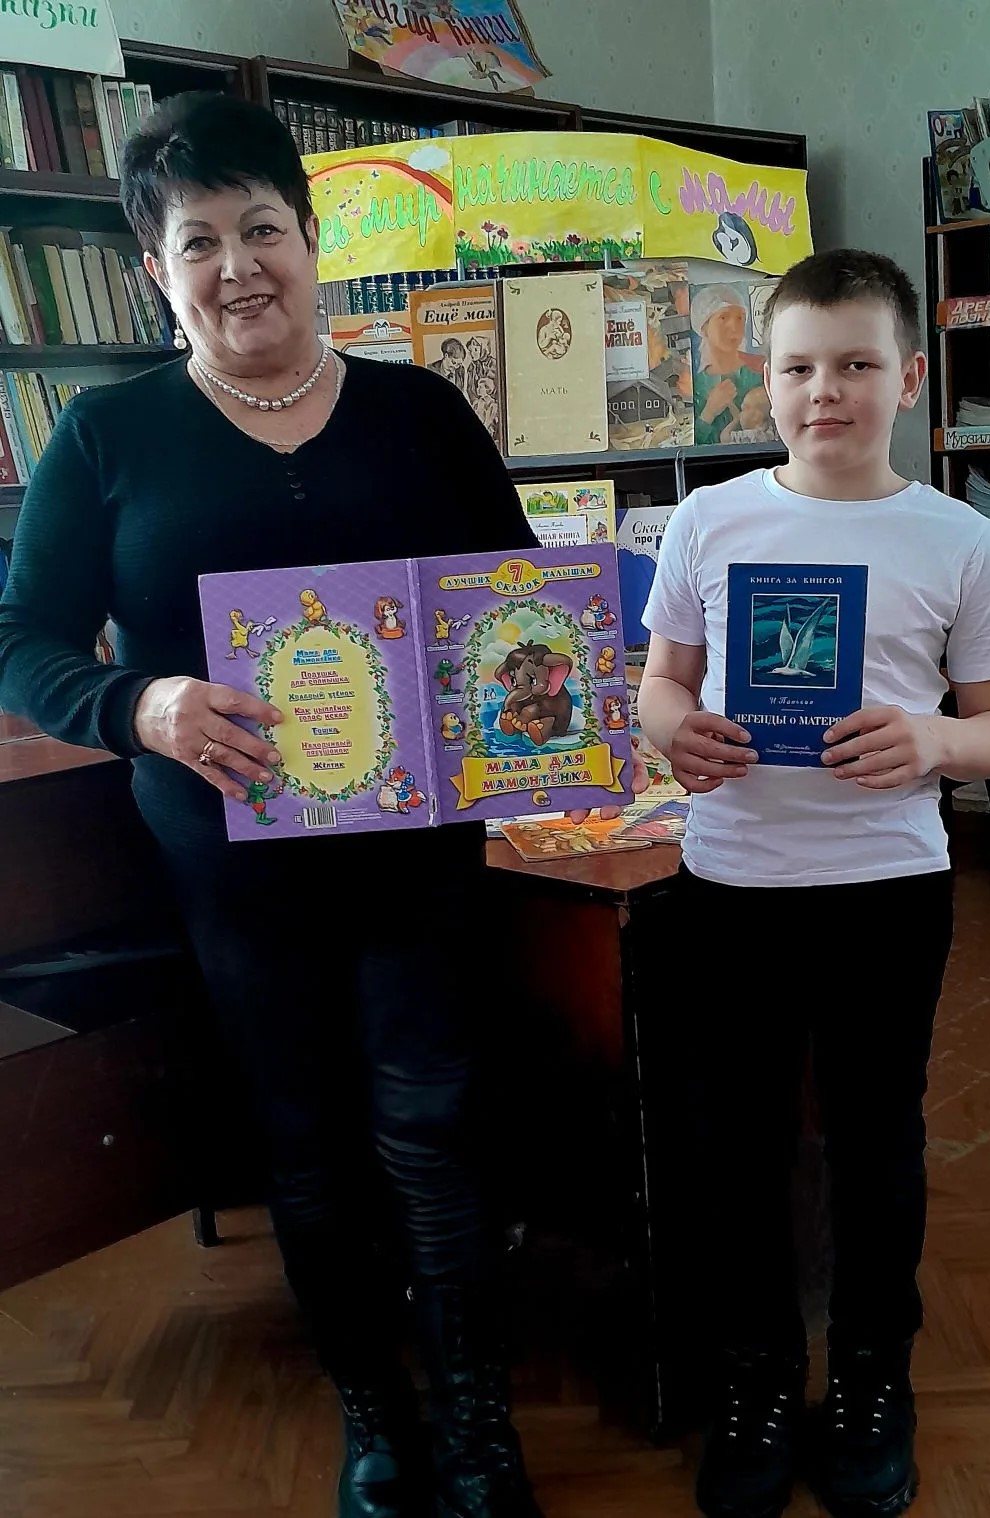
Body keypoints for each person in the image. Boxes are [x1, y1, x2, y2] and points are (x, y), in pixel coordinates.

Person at [0, 90, 640, 1518]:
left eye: (261, 228)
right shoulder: (106, 437)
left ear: (309, 238)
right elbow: (21, 642)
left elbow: (517, 604)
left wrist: (554, 703)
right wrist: (139, 705)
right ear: (155, 270)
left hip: (418, 865)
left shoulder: (420, 414)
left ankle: (475, 1428)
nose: (238, 266)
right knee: (307, 1143)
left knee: (434, 1127)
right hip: (235, 872)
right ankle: (376, 1420)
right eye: (199, 240)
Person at [638, 249, 990, 1518]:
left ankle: (870, 1375)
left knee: (876, 1141)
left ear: (909, 379)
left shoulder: (960, 538)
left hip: (886, 891)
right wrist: (675, 732)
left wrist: (932, 741)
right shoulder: (710, 520)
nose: (826, 392)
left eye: (858, 364)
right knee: (736, 1146)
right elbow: (660, 684)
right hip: (731, 884)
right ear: (766, 378)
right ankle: (756, 1378)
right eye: (800, 366)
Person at [689, 283, 766, 447]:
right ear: (704, 327)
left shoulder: (760, 370)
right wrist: (709, 412)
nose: (734, 327)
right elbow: (693, 445)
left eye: (740, 318)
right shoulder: (696, 386)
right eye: (723, 317)